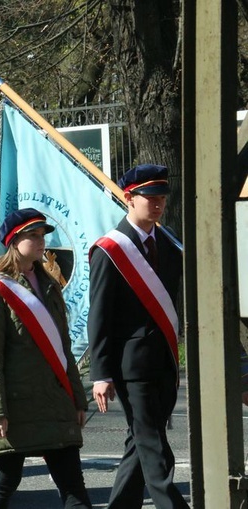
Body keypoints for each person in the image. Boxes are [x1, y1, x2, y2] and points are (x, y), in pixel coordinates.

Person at [0, 208, 91, 509]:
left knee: (74, 487)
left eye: (43, 235)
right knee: (5, 481)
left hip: (54, 401)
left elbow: (63, 349)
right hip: (16, 405)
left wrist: (77, 399)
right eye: (33, 235)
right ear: (14, 240)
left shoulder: (50, 284)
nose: (42, 242)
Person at [89, 164, 188, 509]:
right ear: (129, 198)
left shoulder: (169, 242)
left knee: (140, 442)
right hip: (130, 366)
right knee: (154, 446)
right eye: (151, 197)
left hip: (163, 359)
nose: (158, 203)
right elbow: (99, 315)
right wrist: (100, 373)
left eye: (162, 197)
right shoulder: (111, 250)